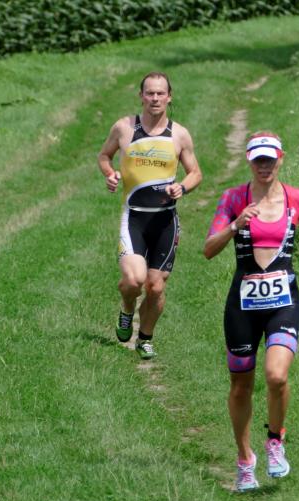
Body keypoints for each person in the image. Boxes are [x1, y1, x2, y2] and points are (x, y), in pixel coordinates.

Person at [203, 132, 299, 492]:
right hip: (242, 306)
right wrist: (235, 224)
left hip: (283, 303)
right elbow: (208, 249)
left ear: (280, 159)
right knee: (241, 386)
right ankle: (244, 460)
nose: (264, 166)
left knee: (276, 376)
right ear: (249, 162)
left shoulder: (298, 198)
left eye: (270, 159)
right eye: (258, 160)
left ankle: (274, 442)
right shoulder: (233, 199)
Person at [98, 72, 202, 359]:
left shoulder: (179, 134)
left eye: (160, 93)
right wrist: (110, 174)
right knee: (134, 281)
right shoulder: (124, 128)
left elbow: (195, 173)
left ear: (169, 97)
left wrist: (182, 187)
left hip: (165, 221)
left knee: (155, 287)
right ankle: (126, 309)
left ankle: (145, 338)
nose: (155, 98)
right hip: (134, 218)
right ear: (141, 96)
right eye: (150, 93)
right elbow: (104, 156)